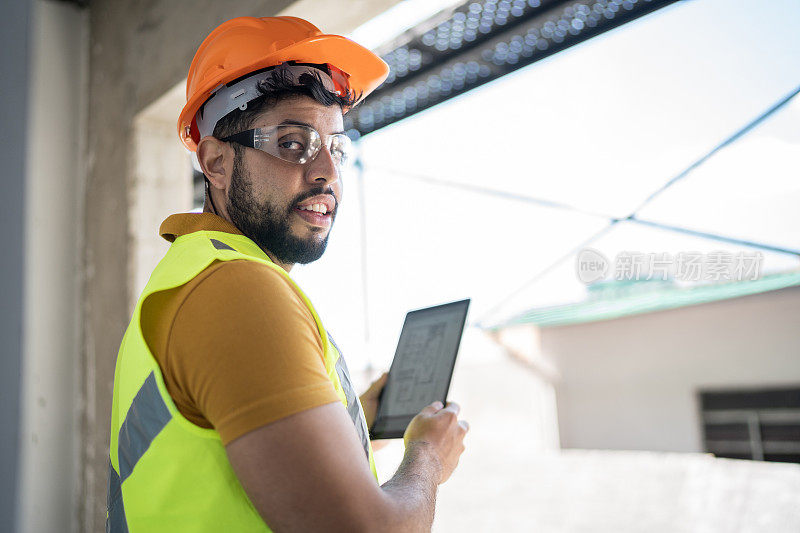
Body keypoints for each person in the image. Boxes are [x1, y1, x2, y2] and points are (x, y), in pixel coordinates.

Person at [106, 16, 469, 532]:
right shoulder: (235, 291)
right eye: (292, 144)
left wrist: (353, 422)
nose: (327, 172)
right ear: (215, 162)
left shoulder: (195, 275)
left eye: (335, 147)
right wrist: (428, 457)